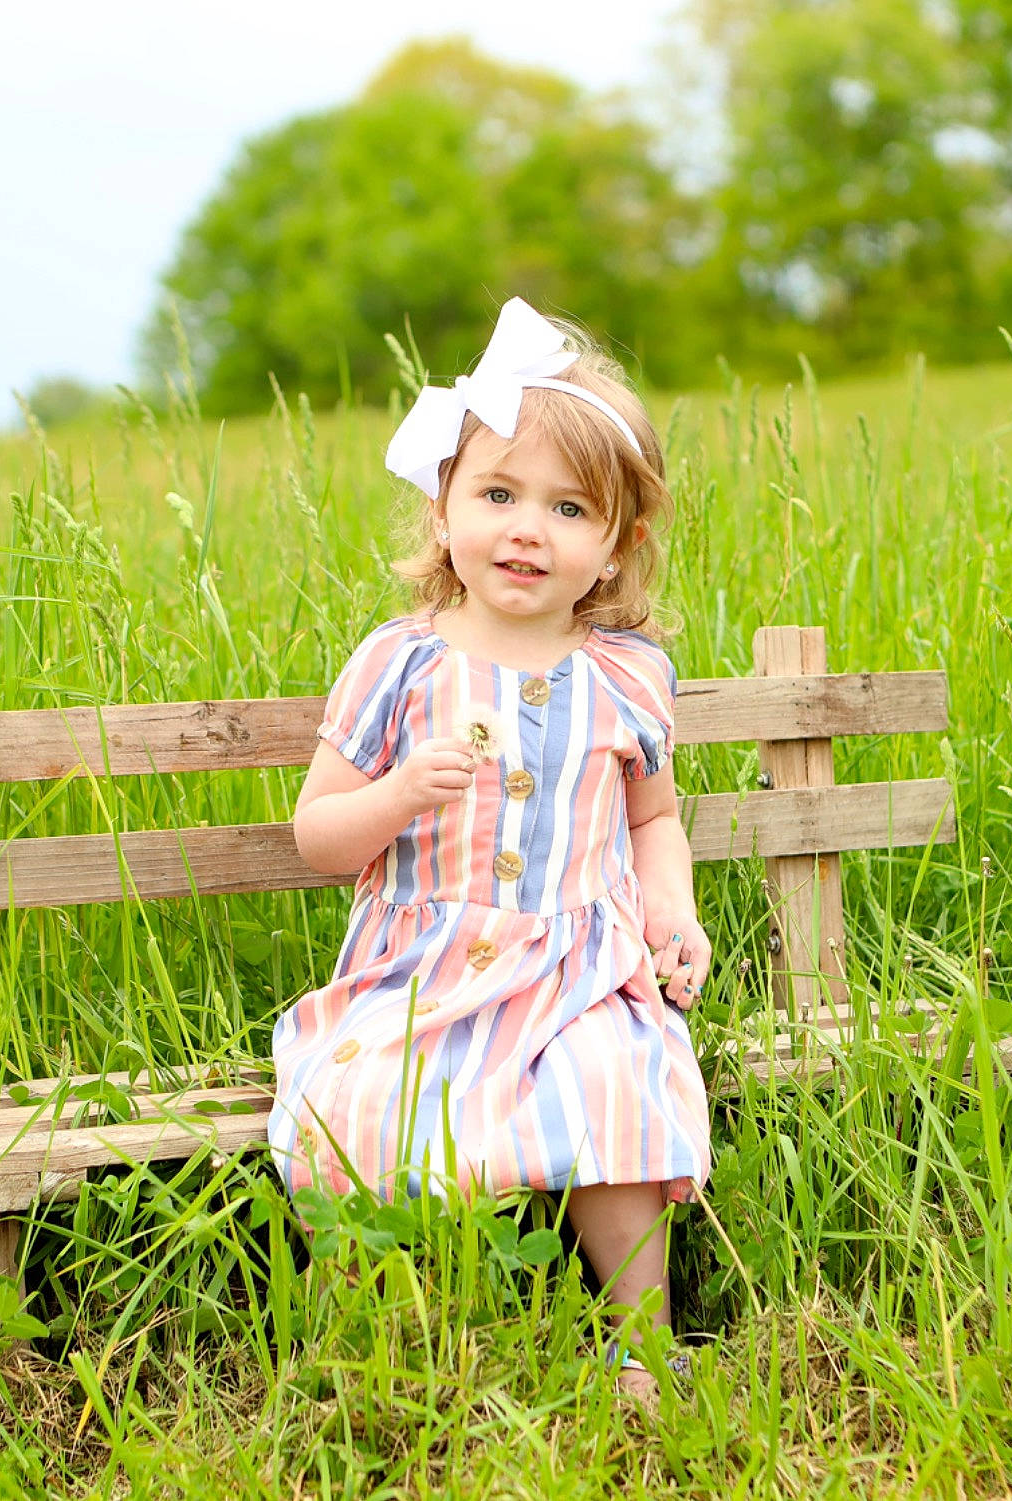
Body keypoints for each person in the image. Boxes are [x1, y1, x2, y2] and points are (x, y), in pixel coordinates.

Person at [267, 297, 711, 1401]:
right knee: (354, 1104)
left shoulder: (625, 674)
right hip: (418, 971)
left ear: (616, 544)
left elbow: (651, 819)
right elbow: (317, 833)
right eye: (498, 494)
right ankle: (372, 1341)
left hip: (577, 969)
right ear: (444, 505)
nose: (526, 529)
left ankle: (639, 1345)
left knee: (618, 1086)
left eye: (567, 508)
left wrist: (672, 915)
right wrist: (397, 795)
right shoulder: (399, 663)